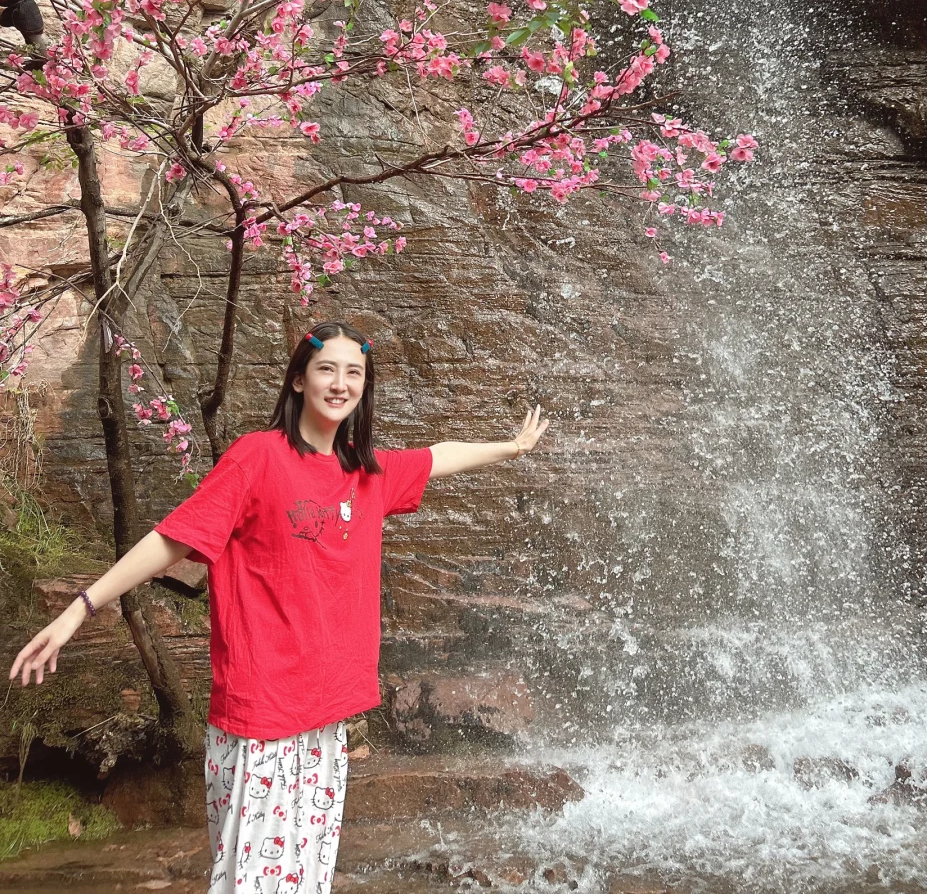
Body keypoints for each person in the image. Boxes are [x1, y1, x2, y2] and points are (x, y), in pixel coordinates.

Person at [9, 320, 549, 893]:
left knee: (304, 880)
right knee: (250, 881)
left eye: (354, 373)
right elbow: (172, 539)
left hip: (328, 707)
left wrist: (512, 447)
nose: (340, 383)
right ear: (297, 380)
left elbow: (437, 456)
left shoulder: (366, 473)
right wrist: (77, 611)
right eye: (326, 369)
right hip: (261, 711)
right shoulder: (257, 457)